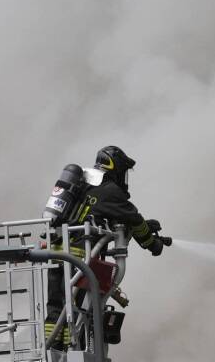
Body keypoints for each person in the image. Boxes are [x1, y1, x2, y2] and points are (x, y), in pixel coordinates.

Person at [45, 145, 167, 346]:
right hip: (80, 257)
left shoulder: (84, 184)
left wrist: (142, 225)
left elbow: (105, 215)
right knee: (77, 307)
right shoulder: (111, 191)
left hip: (56, 253)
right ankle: (72, 347)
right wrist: (153, 244)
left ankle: (54, 348)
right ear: (115, 168)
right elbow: (133, 218)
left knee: (57, 305)